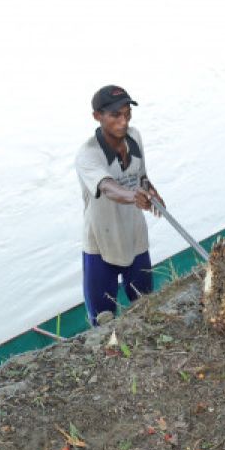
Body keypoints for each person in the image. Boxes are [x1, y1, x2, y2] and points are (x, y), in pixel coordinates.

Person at [75, 85, 164, 325]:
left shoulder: (134, 136)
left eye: (127, 114)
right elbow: (106, 186)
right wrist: (134, 195)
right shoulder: (88, 155)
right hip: (101, 245)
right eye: (116, 115)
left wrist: (149, 189)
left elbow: (141, 175)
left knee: (146, 305)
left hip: (134, 236)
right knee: (103, 319)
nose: (123, 122)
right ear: (97, 117)